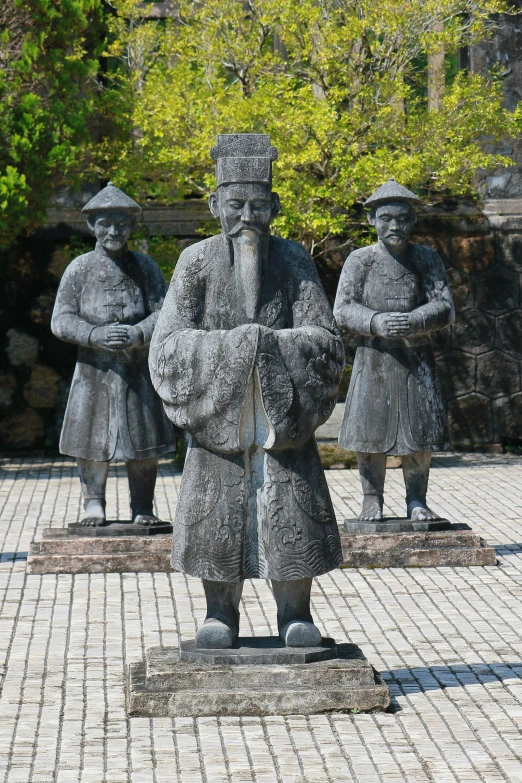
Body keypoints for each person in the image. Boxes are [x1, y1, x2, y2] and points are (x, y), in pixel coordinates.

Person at [150, 134, 345, 649]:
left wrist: (270, 348)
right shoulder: (195, 262)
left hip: (283, 422)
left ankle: (294, 612)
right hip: (220, 420)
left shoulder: (295, 261)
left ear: (274, 207)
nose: (247, 216)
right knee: (217, 515)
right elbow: (167, 344)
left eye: (259, 205)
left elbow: (324, 339)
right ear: (215, 204)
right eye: (235, 205)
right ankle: (220, 613)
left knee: (292, 510)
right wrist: (236, 349)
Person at [51, 183, 175, 526]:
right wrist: (93, 334)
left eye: (121, 223)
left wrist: (138, 333)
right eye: (105, 223)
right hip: (93, 369)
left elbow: (165, 311)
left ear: (131, 226)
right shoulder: (79, 268)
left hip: (136, 368)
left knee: (142, 440)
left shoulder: (145, 267)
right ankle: (93, 502)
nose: (113, 231)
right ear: (92, 226)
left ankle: (143, 507)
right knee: (90, 438)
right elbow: (60, 319)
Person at [333, 178, 455, 522]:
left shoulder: (426, 259)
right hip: (373, 358)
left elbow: (444, 306)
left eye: (402, 218)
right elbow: (342, 309)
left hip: (416, 359)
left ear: (413, 221)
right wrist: (375, 321)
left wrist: (415, 321)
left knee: (419, 433)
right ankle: (372, 498)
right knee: (370, 433)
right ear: (372, 220)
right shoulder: (360, 261)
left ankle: (417, 499)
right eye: (386, 218)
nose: (395, 226)